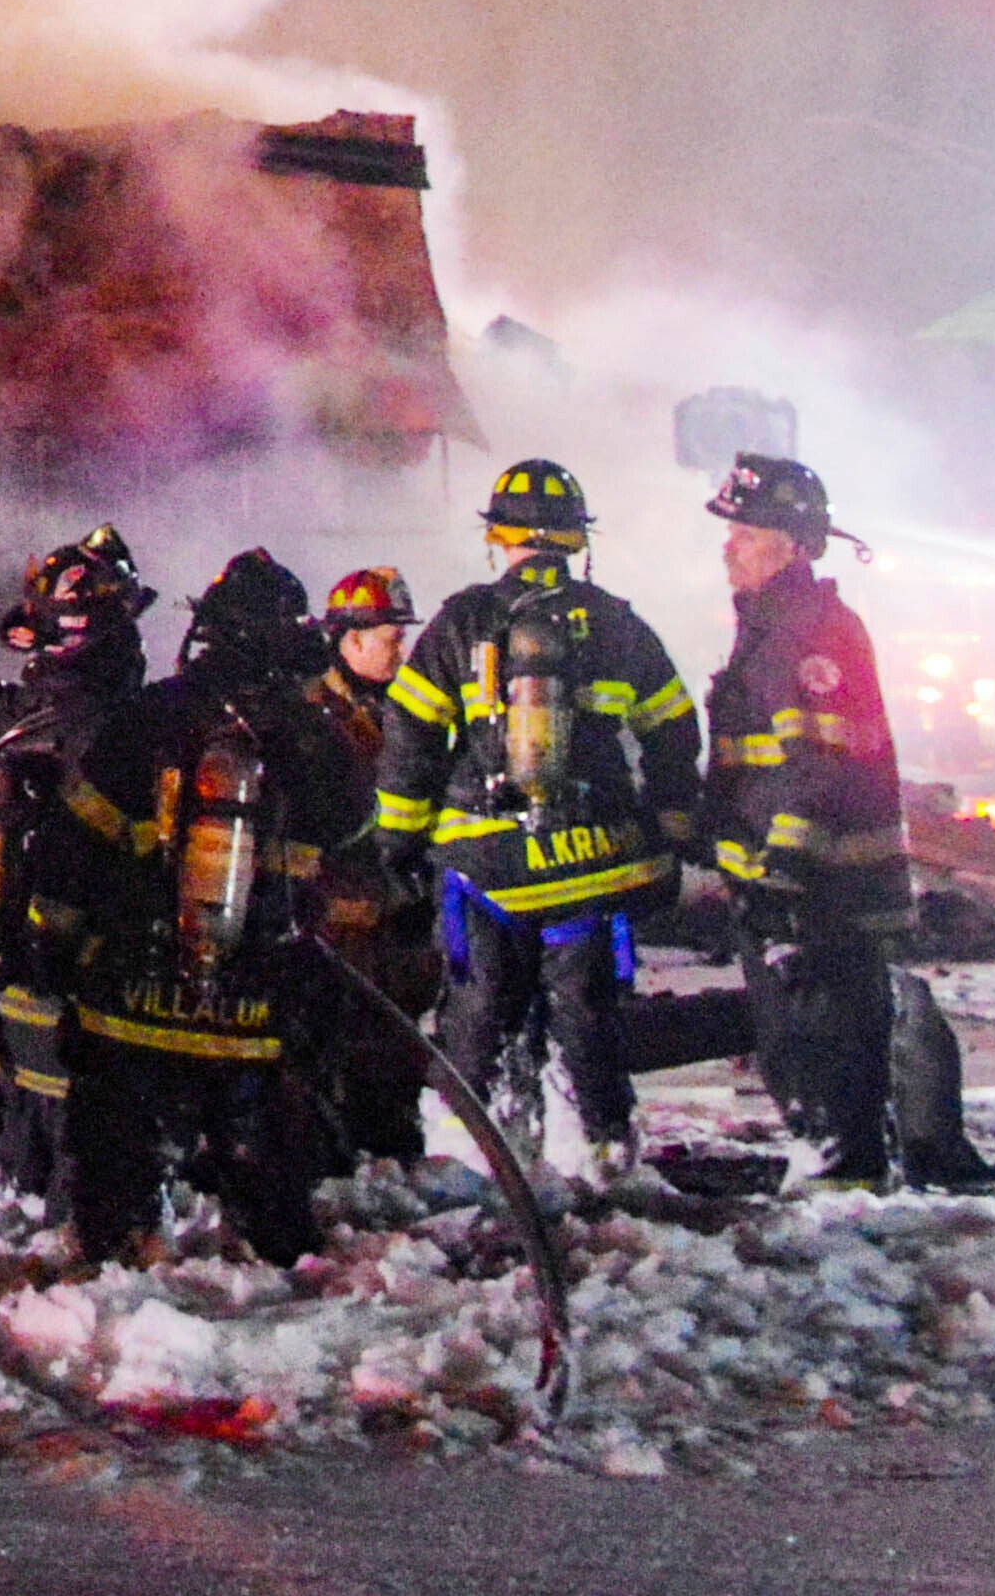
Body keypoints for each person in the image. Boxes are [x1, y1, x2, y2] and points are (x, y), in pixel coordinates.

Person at [373, 457, 702, 1186]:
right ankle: (605, 1152)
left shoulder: (462, 620)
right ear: (576, 542)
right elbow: (675, 731)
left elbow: (409, 737)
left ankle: (472, 1157)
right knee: (587, 1013)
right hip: (592, 863)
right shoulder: (617, 624)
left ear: (498, 538)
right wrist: (669, 825)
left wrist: (398, 847)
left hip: (484, 868)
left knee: (478, 1010)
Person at [45, 551, 351, 1265]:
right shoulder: (311, 735)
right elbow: (354, 839)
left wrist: (55, 943)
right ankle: (277, 1266)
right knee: (266, 1161)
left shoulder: (144, 717)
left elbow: (73, 841)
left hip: (132, 993)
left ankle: (119, 1256)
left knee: (116, 1156)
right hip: (258, 999)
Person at [704, 454, 911, 1186]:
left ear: (791, 544)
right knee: (794, 1042)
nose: (728, 545)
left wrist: (783, 871)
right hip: (787, 885)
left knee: (822, 1044)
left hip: (820, 892)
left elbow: (820, 764)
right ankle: (836, 1168)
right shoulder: (771, 627)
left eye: (746, 532)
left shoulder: (809, 631)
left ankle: (845, 1187)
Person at [0, 527, 149, 1210]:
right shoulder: (135, 725)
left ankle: (25, 1215)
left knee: (28, 1109)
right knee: (87, 1128)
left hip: (0, 961)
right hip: (97, 963)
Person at [296, 565, 436, 1165]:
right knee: (331, 1050)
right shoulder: (310, 715)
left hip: (397, 915)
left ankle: (392, 1158)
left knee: (396, 1051)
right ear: (350, 640)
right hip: (334, 923)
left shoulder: (405, 706)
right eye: (390, 637)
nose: (401, 650)